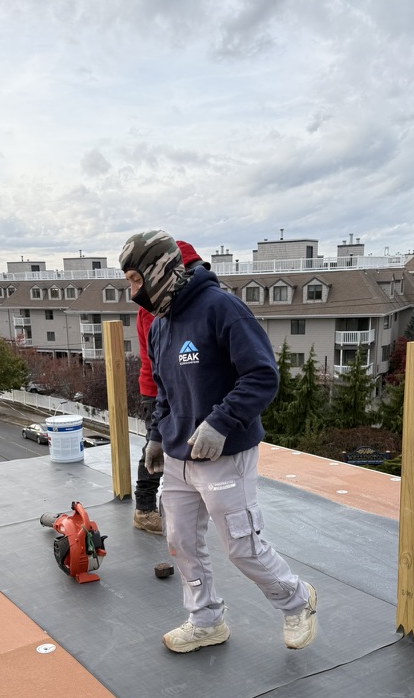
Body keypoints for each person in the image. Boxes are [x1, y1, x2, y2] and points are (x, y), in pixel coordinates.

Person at [119, 230, 318, 653]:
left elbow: (262, 375)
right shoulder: (160, 327)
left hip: (225, 454)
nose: (133, 292)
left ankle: (297, 600)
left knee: (243, 546)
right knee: (182, 543)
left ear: (159, 271)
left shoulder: (221, 308)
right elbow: (165, 392)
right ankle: (206, 620)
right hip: (179, 458)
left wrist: (220, 423)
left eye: (136, 279)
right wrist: (156, 437)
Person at [132, 241, 211, 534]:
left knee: (172, 444)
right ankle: (144, 508)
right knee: (157, 444)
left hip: (170, 384)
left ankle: (176, 505)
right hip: (157, 388)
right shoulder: (155, 307)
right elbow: (166, 355)